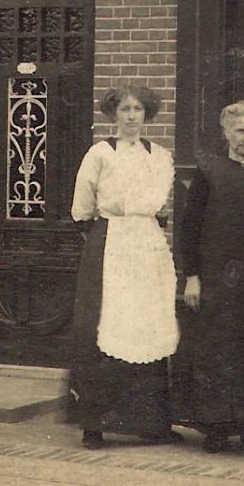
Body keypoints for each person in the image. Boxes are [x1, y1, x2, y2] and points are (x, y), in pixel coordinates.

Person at [69, 83, 181, 449]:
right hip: (110, 241)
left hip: (146, 243)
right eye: (125, 109)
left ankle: (150, 422)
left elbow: (159, 204)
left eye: (137, 110)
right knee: (105, 326)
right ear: (113, 114)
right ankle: (95, 423)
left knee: (146, 325)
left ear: (146, 114)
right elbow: (82, 209)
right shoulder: (100, 153)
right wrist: (103, 237)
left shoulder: (159, 155)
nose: (131, 116)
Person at [173, 101, 244, 454]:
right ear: (226, 132)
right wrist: (192, 276)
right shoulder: (209, 172)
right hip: (216, 278)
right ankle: (216, 427)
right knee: (216, 349)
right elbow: (189, 229)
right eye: (240, 131)